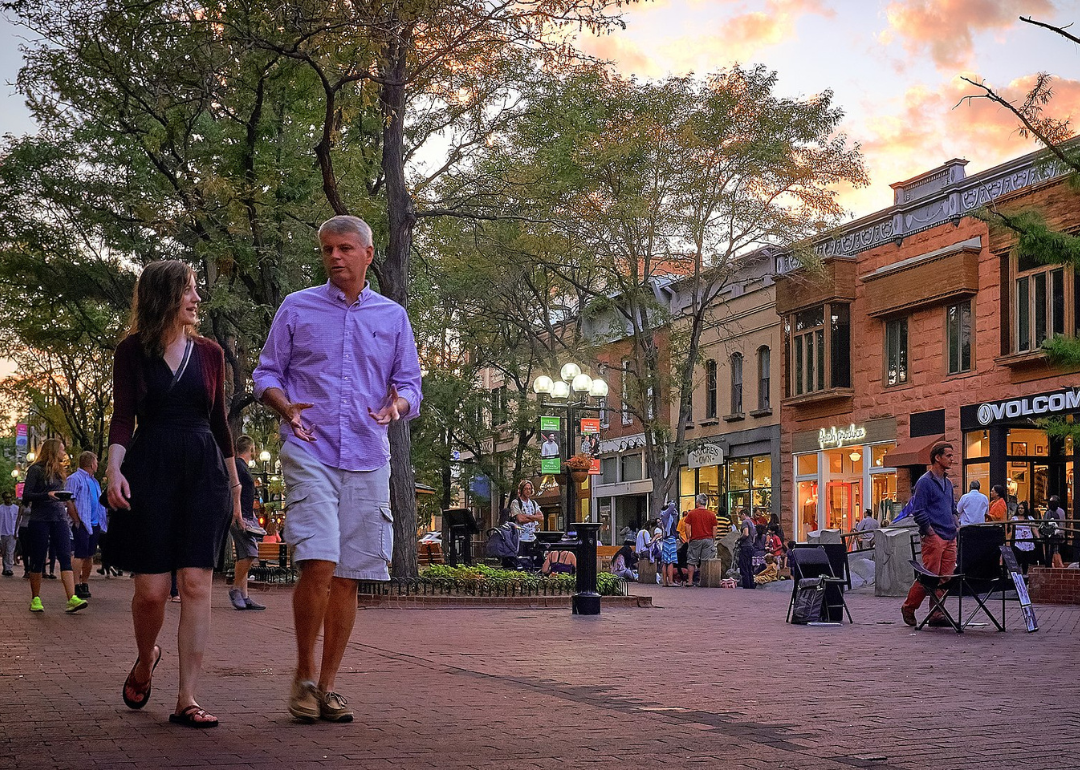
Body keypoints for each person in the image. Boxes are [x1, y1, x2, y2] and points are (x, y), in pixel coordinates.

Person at [253, 215, 422, 724]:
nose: (335, 257)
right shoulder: (297, 307)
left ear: (368, 254)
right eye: (328, 249)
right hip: (310, 447)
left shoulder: (392, 317)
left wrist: (397, 408)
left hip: (369, 456)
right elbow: (266, 372)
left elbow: (410, 384)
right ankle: (303, 675)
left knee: (349, 575)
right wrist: (284, 406)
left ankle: (327, 686)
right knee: (319, 561)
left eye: (345, 248)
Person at [105, 259, 241, 728]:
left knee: (197, 584)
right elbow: (123, 417)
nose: (197, 299)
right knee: (151, 592)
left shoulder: (211, 353)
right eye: (189, 290)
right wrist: (114, 469)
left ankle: (187, 698)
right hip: (151, 469)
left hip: (203, 471)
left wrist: (236, 486)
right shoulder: (131, 352)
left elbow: (220, 423)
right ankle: (147, 659)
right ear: (165, 295)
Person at [23, 438, 87, 614]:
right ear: (52, 450)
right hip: (40, 519)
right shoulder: (35, 470)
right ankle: (35, 598)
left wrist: (63, 498)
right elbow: (27, 495)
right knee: (38, 558)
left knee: (65, 556)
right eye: (61, 449)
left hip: (59, 518)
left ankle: (71, 598)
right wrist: (47, 494)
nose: (63, 453)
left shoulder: (60, 471)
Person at [900, 441, 958, 628]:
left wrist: (955, 523)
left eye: (952, 455)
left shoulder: (948, 483)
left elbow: (952, 507)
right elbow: (919, 510)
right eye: (948, 455)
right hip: (934, 536)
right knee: (930, 576)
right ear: (937, 457)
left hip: (949, 536)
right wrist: (930, 532)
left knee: (946, 577)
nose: (951, 459)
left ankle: (937, 613)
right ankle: (909, 607)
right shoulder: (924, 482)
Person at [228, 435, 266, 611]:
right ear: (251, 449)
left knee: (243, 554)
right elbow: (235, 491)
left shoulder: (241, 467)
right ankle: (236, 589)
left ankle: (244, 595)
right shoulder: (238, 466)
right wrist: (240, 515)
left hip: (245, 515)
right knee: (251, 552)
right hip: (239, 516)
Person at [66, 451, 106, 600]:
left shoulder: (94, 481)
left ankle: (84, 583)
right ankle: (75, 584)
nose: (97, 465)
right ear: (90, 463)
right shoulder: (74, 479)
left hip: (94, 523)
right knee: (80, 554)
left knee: (89, 555)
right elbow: (69, 499)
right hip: (82, 522)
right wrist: (76, 520)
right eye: (96, 461)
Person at [683, 494, 717, 587]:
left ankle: (690, 581)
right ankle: (702, 580)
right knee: (705, 561)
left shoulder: (692, 513)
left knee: (691, 560)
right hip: (708, 539)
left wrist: (688, 537)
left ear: (698, 503)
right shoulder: (711, 514)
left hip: (695, 539)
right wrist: (713, 539)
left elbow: (687, 526)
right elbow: (714, 528)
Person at [509, 480, 544, 568]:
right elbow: (520, 519)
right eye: (525, 489)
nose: (528, 491)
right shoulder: (516, 503)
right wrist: (534, 517)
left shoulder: (533, 503)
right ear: (521, 490)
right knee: (522, 562)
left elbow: (541, 517)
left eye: (529, 489)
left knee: (537, 562)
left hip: (533, 537)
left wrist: (528, 516)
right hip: (521, 538)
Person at [1011, 503, 1037, 576]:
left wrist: (1038, 537)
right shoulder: (1014, 519)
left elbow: (1034, 528)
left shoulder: (1030, 518)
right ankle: (1018, 575)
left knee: (1026, 559)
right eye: (1019, 508)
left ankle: (1025, 574)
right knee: (1018, 558)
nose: (1020, 510)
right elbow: (1009, 530)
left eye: (1022, 508)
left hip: (1027, 540)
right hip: (1018, 541)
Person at [658, 502, 681, 586]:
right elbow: (672, 507)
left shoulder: (664, 517)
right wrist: (671, 504)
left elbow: (675, 512)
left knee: (665, 561)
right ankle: (671, 581)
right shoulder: (666, 515)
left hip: (665, 540)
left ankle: (665, 582)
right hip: (670, 539)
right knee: (670, 561)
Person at [1041, 495, 1066, 568]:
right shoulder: (1048, 512)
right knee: (1052, 549)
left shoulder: (1060, 512)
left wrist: (1061, 532)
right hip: (1050, 533)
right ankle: (1052, 563)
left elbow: (1062, 523)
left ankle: (1057, 564)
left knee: (1055, 549)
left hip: (1056, 533)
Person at [736, 509, 756, 589]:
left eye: (740, 516)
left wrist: (739, 539)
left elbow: (746, 533)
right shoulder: (751, 522)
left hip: (745, 546)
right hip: (751, 546)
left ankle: (746, 585)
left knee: (743, 567)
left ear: (744, 514)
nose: (739, 518)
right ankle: (751, 584)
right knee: (749, 567)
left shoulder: (745, 522)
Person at [0, 492, 18, 576]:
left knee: (10, 551)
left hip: (12, 532)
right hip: (2, 533)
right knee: (4, 551)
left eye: (10, 497)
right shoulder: (0, 508)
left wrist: (16, 532)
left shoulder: (16, 508)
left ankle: (8, 568)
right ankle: (5, 568)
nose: (8, 499)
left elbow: (18, 521)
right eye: (6, 497)